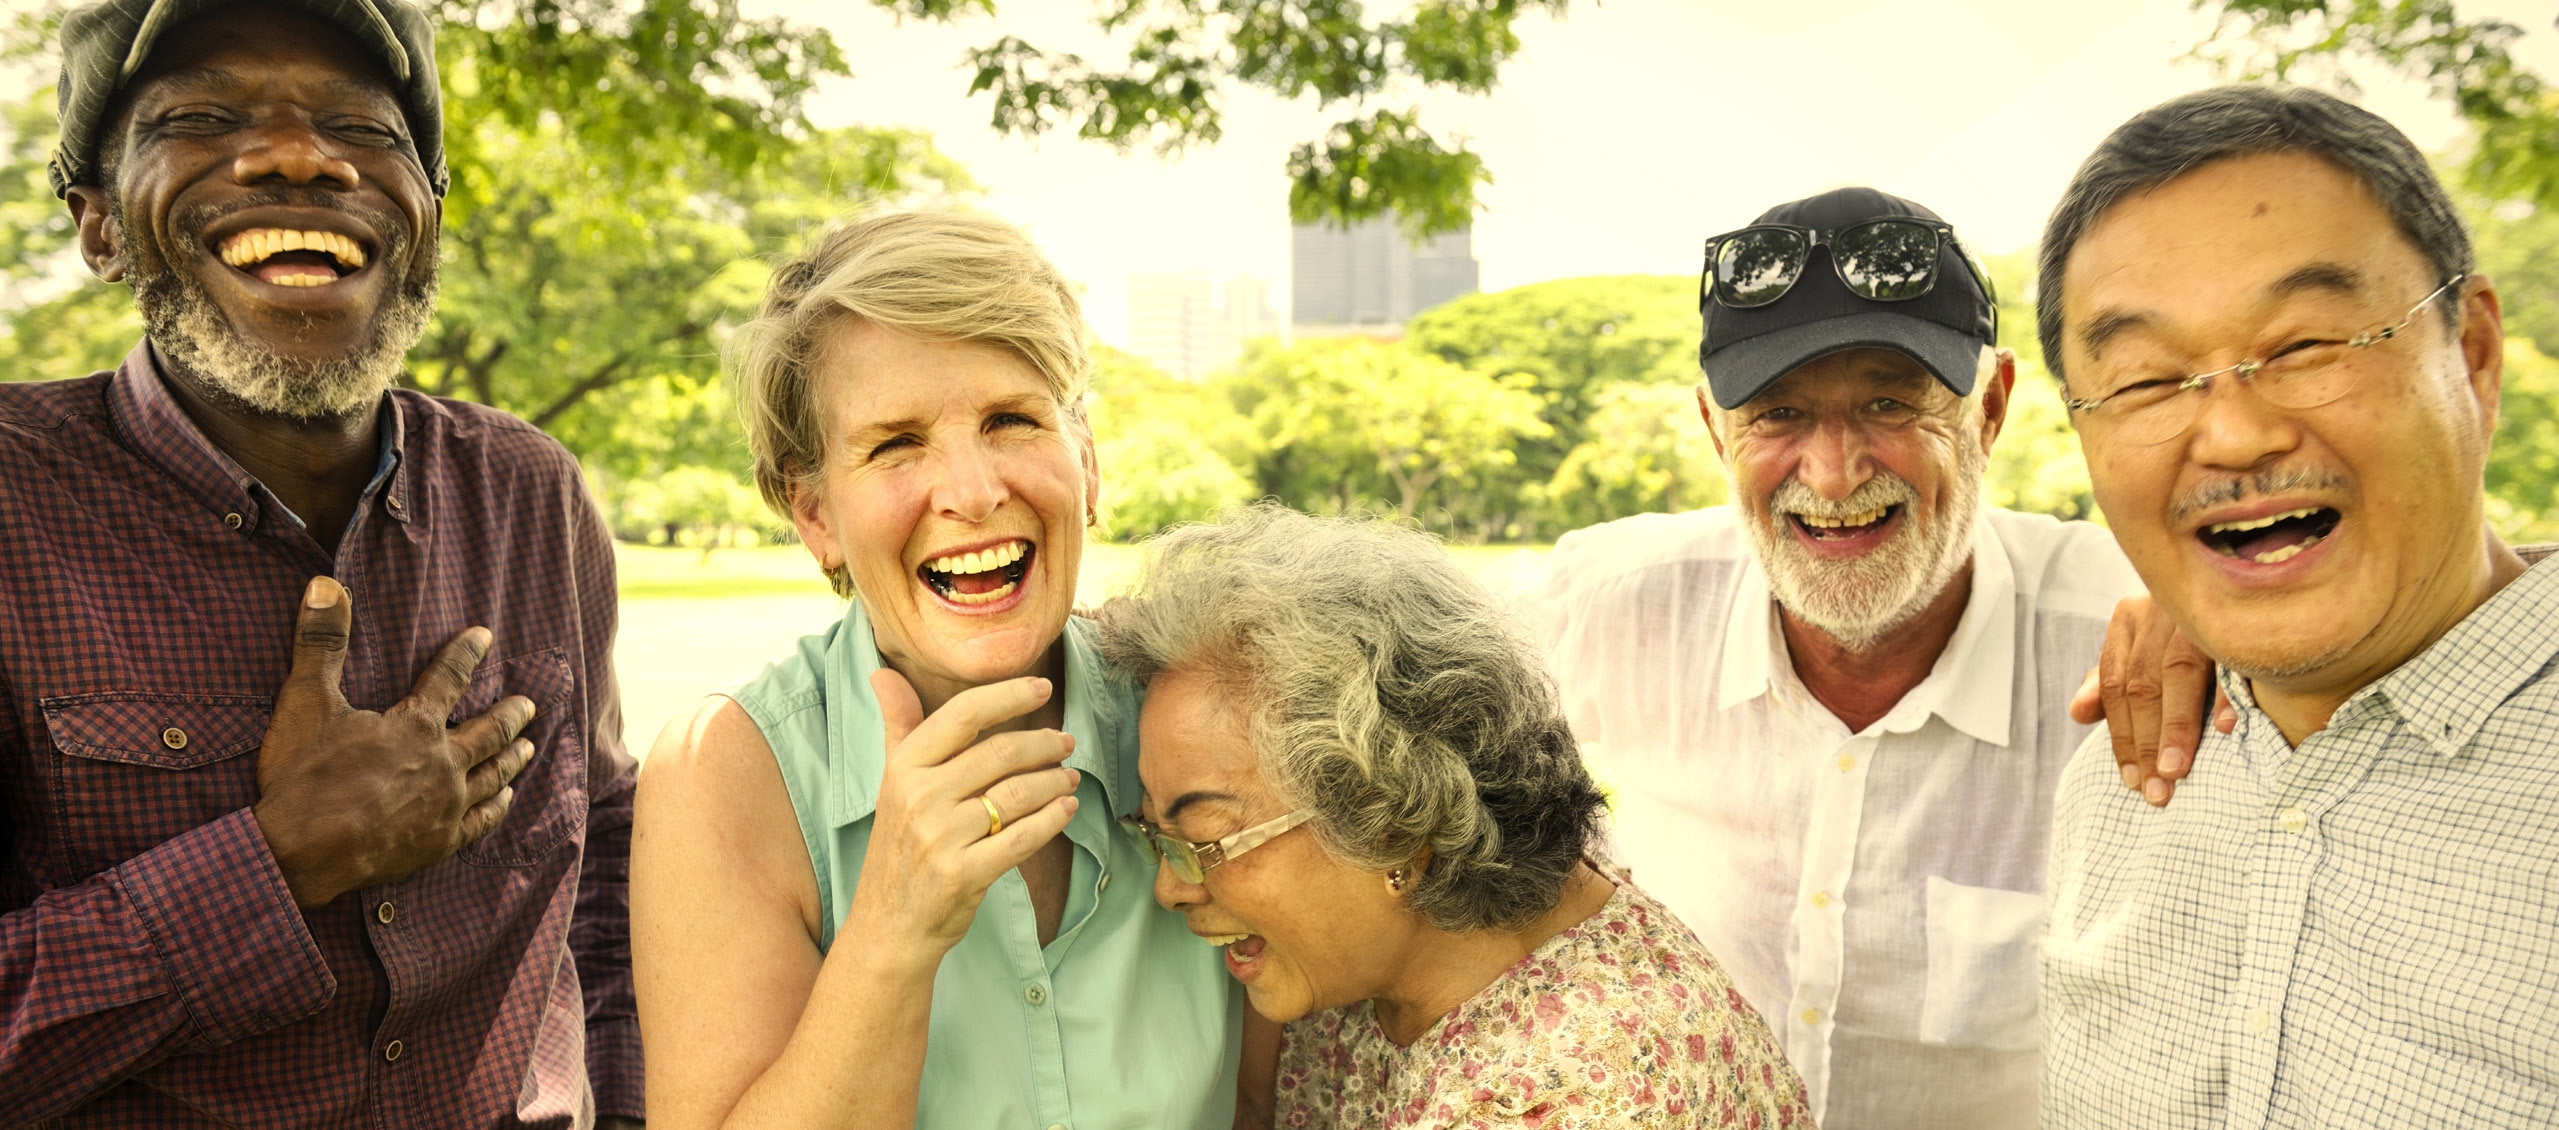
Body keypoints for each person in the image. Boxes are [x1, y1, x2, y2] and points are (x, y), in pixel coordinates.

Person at [0, 1, 640, 1125]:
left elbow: (608, 867)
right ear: (97, 224)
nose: (299, 153)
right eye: (202, 114)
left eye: (367, 128)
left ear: (427, 219)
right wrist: (271, 866)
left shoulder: (529, 492)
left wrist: (632, 1106)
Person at [1523, 186, 2145, 1130]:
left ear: (1990, 411)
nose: (1832, 471)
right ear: (1711, 428)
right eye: (1777, 415)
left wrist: (2207, 629)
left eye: (1888, 402)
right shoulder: (1610, 603)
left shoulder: (2128, 631)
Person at [630, 210, 1239, 1128]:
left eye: (1011, 421)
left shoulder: (1205, 708)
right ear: (814, 515)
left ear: (1088, 463)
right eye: (895, 443)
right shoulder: (721, 774)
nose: (971, 491)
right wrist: (892, 930)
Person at [2037, 83, 2559, 1129]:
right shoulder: (2121, 773)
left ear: (2475, 352)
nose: (2232, 435)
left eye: (2306, 347)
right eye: (2144, 381)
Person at [1095, 505, 1809, 1129]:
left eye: (1203, 838)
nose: (1170, 886)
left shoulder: (1569, 1097)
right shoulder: (1395, 950)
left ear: (1389, 820)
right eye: (1157, 834)